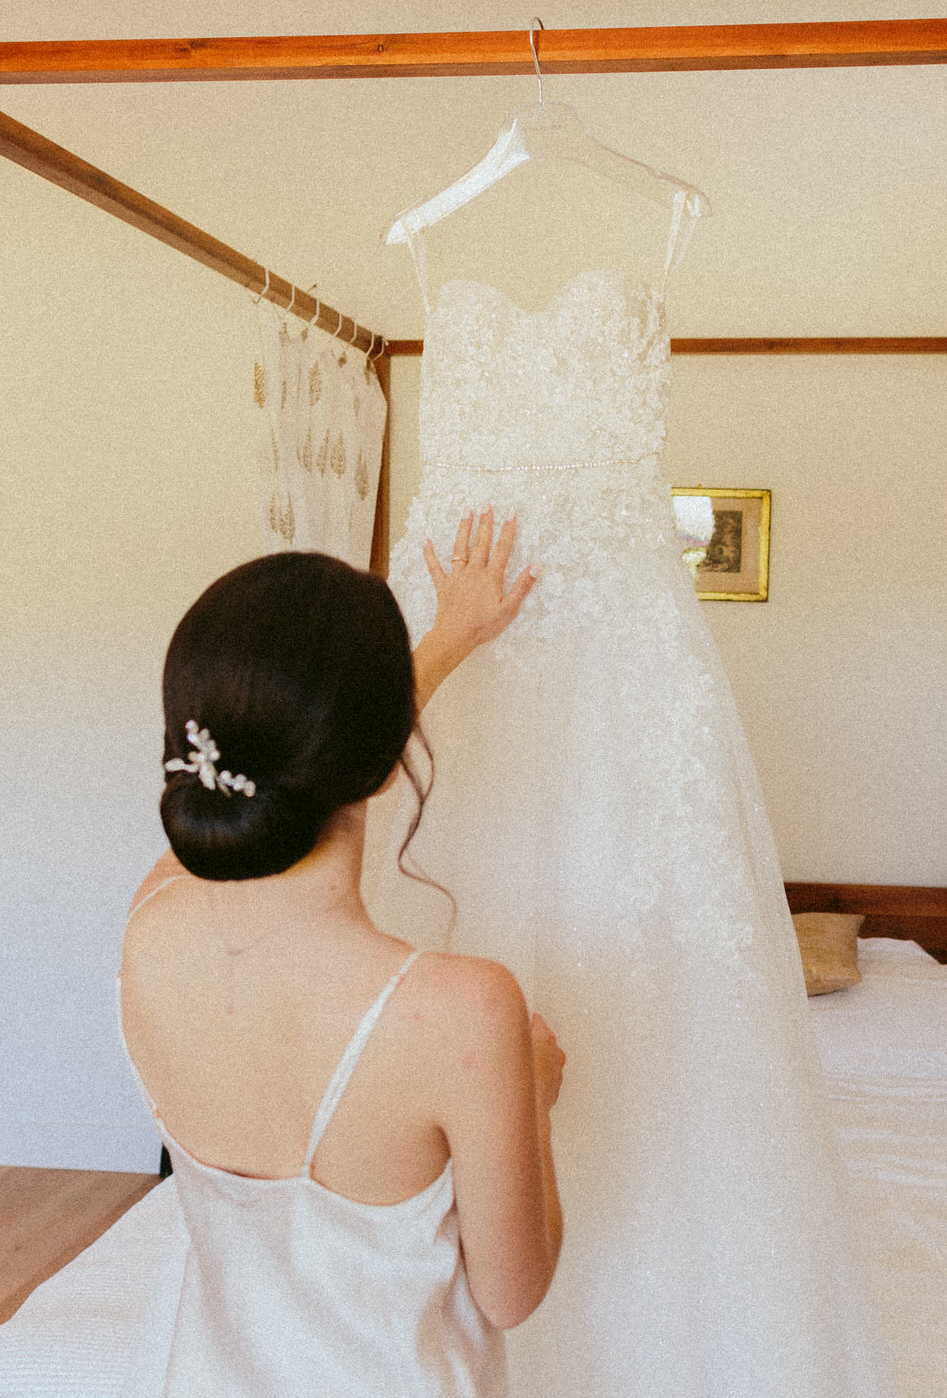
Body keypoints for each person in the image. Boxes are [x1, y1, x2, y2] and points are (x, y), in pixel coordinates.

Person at [117, 523, 550, 1396]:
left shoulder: (147, 923)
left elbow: (313, 770)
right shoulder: (464, 1011)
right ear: (386, 762)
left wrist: (443, 644)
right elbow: (513, 1294)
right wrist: (533, 1095)